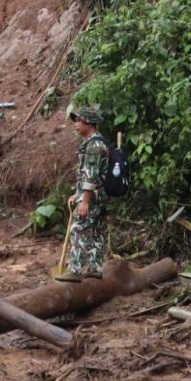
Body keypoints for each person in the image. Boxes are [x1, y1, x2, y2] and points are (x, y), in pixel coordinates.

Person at [58, 106, 110, 281]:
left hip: (93, 197)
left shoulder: (94, 146)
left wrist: (85, 200)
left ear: (88, 122)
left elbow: (91, 175)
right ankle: (95, 268)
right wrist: (78, 194)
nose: (76, 124)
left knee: (79, 228)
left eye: (78, 120)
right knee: (96, 230)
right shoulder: (96, 142)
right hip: (99, 196)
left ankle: (76, 270)